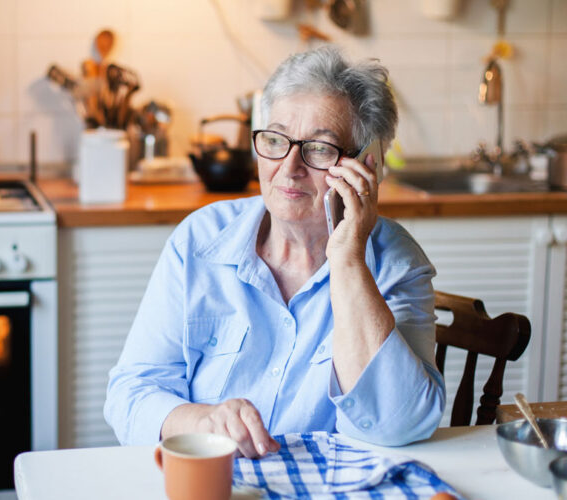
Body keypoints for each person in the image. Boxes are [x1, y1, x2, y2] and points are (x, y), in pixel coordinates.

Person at [104, 45, 445, 459]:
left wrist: (349, 259)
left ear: (366, 165)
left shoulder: (395, 263)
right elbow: (130, 394)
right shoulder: (199, 240)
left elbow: (400, 425)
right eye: (275, 139)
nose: (289, 166)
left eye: (319, 148)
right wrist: (203, 421)